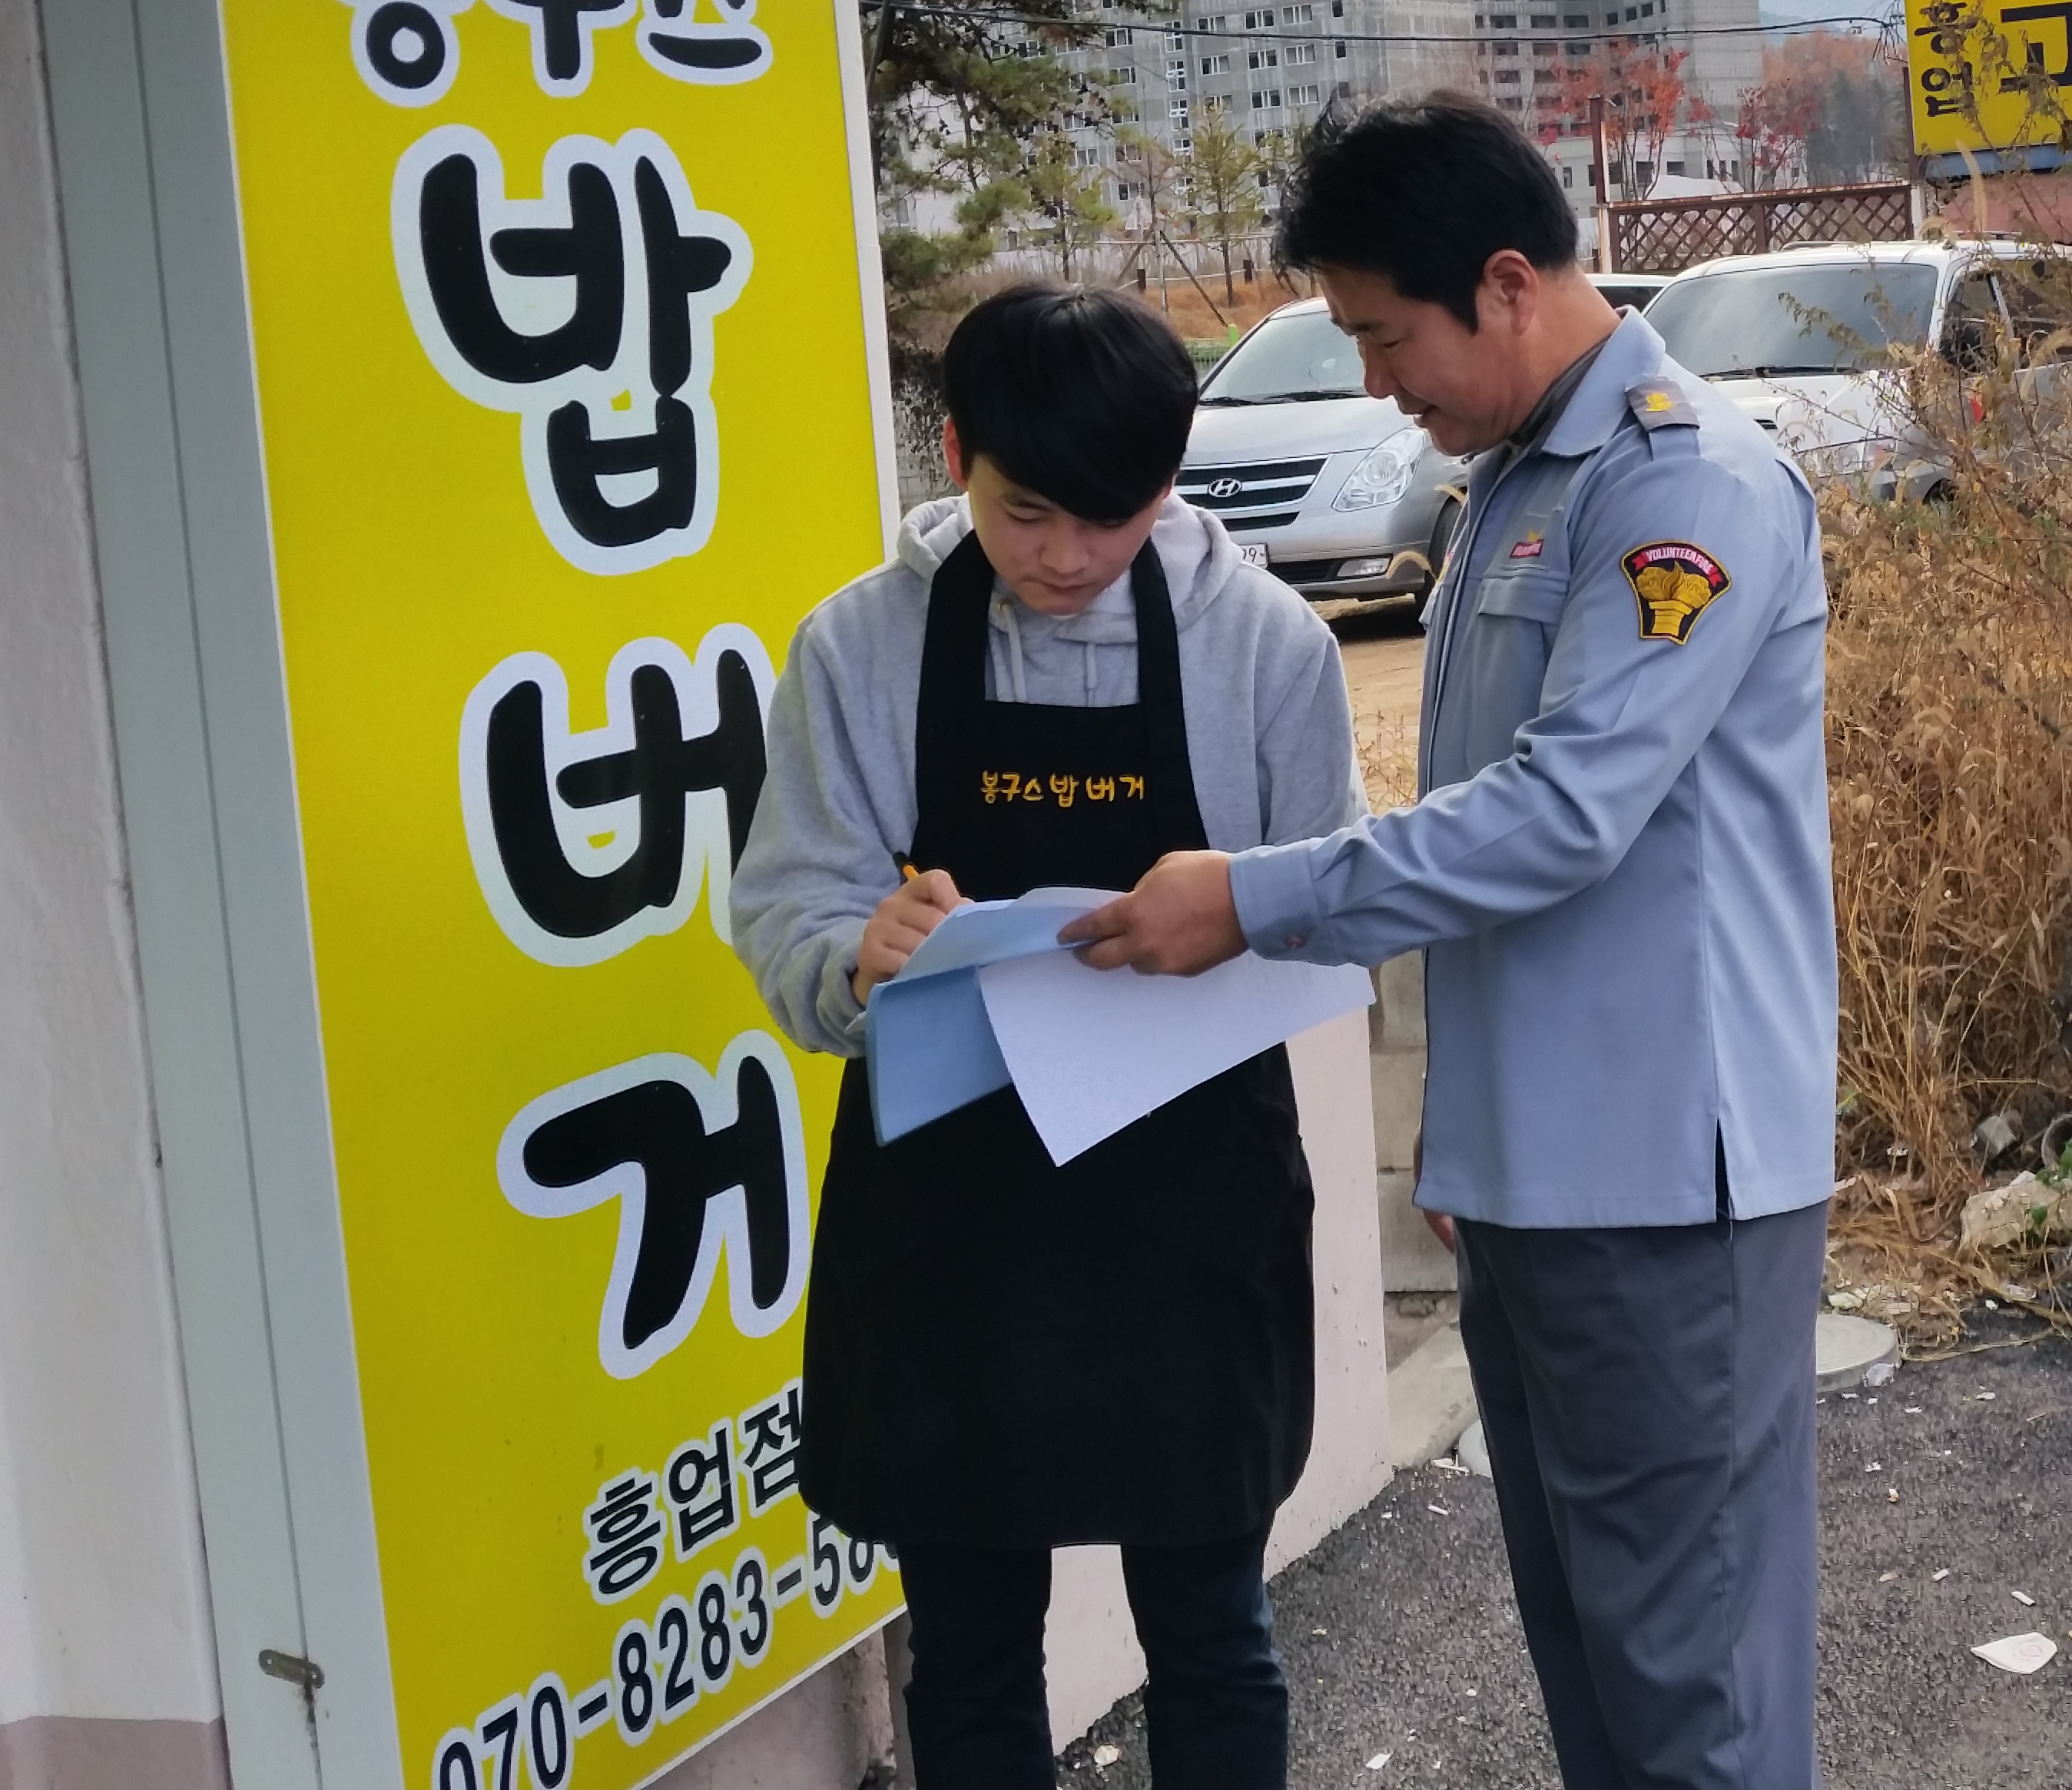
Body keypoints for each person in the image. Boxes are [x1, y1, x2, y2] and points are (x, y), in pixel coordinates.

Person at [1059, 94, 1835, 1790]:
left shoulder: (1680, 487)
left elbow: (1561, 819)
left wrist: (1250, 895)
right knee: (1598, 1652)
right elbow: (1493, 848)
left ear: (1503, 284)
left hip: (1663, 1185)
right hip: (1546, 1176)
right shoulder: (1511, 484)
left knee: (1691, 1675)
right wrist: (1464, 1138)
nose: (1372, 381)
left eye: (1383, 334)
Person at [731, 283, 1362, 1790]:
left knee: (1212, 1631)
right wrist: (857, 951)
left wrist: (1247, 912)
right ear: (955, 453)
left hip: (1190, 1211)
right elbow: (789, 900)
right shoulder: (862, 645)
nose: (1068, 557)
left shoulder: (1264, 645)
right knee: (965, 1648)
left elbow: (1339, 902)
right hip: (953, 1220)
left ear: (1170, 478)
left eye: (1114, 517)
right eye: (1026, 514)